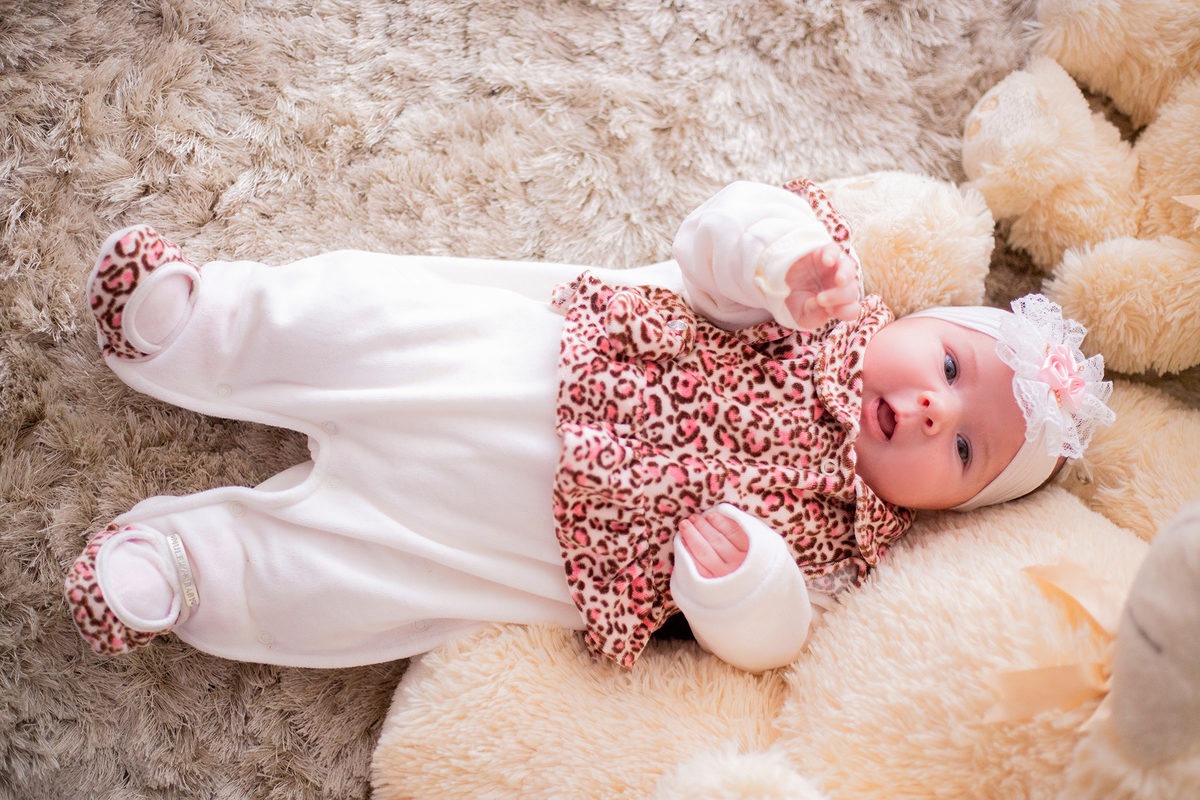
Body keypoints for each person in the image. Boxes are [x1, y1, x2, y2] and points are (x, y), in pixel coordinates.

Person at [64, 180, 1115, 673]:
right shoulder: (818, 309)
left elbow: (774, 645)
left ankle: (179, 568)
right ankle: (194, 326)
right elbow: (710, 241)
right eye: (949, 367)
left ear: (951, 508)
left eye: (964, 447)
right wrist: (776, 258)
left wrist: (745, 583)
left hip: (506, 543)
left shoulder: (848, 546)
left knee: (340, 585)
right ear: (916, 321)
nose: (933, 408)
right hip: (511, 367)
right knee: (359, 317)